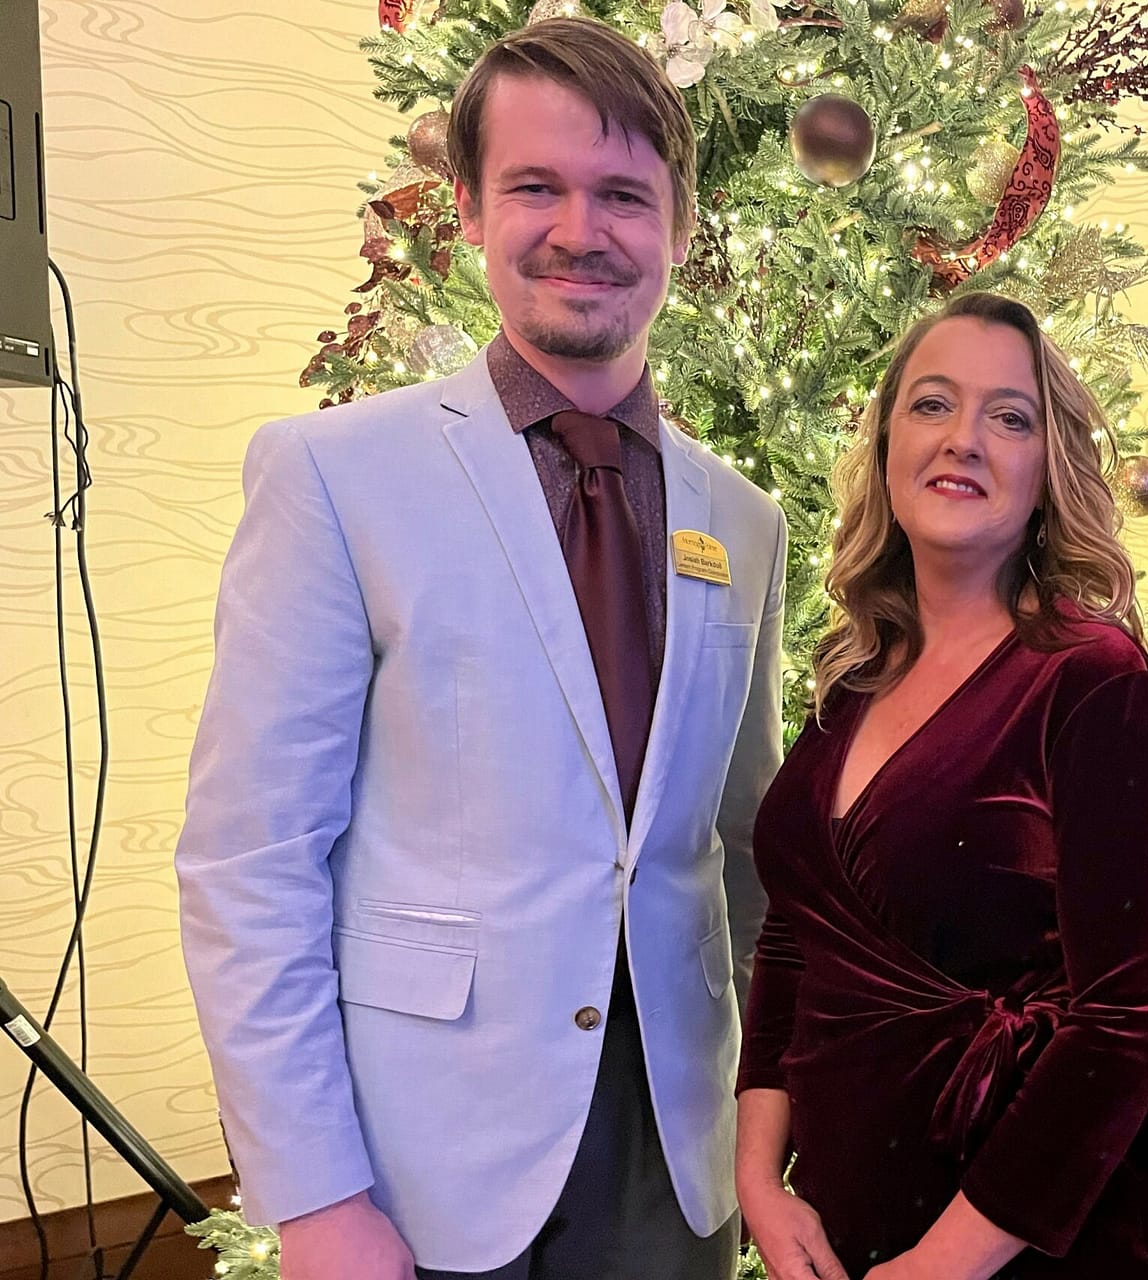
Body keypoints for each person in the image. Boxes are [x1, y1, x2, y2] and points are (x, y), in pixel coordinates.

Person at [175, 18, 785, 1279]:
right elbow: (252, 859)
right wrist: (315, 1194)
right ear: (467, 207)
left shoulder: (744, 519)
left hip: (676, 1156)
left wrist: (763, 1134)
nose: (580, 229)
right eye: (535, 186)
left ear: (680, 226)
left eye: (624, 195)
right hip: (423, 1165)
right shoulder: (336, 475)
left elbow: (740, 851)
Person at [733, 293, 1148, 1280]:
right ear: (887, 443)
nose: (965, 439)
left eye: (1010, 417)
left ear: (1048, 468)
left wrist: (946, 1262)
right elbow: (795, 938)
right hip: (840, 1233)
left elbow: (1132, 1015)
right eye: (933, 404)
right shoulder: (855, 676)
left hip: (1019, 1247)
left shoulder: (1093, 683)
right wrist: (760, 1177)